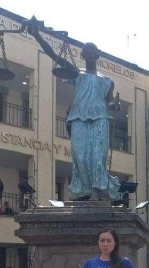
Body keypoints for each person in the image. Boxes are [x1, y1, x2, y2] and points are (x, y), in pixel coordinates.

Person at [27, 20, 122, 202]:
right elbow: (55, 56)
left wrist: (115, 106)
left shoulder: (107, 81)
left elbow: (109, 103)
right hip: (78, 117)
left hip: (100, 118)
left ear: (98, 55)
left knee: (97, 158)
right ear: (83, 54)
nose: (91, 54)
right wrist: (37, 35)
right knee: (80, 157)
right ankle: (83, 193)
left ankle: (98, 191)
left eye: (94, 51)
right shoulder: (76, 73)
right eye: (88, 51)